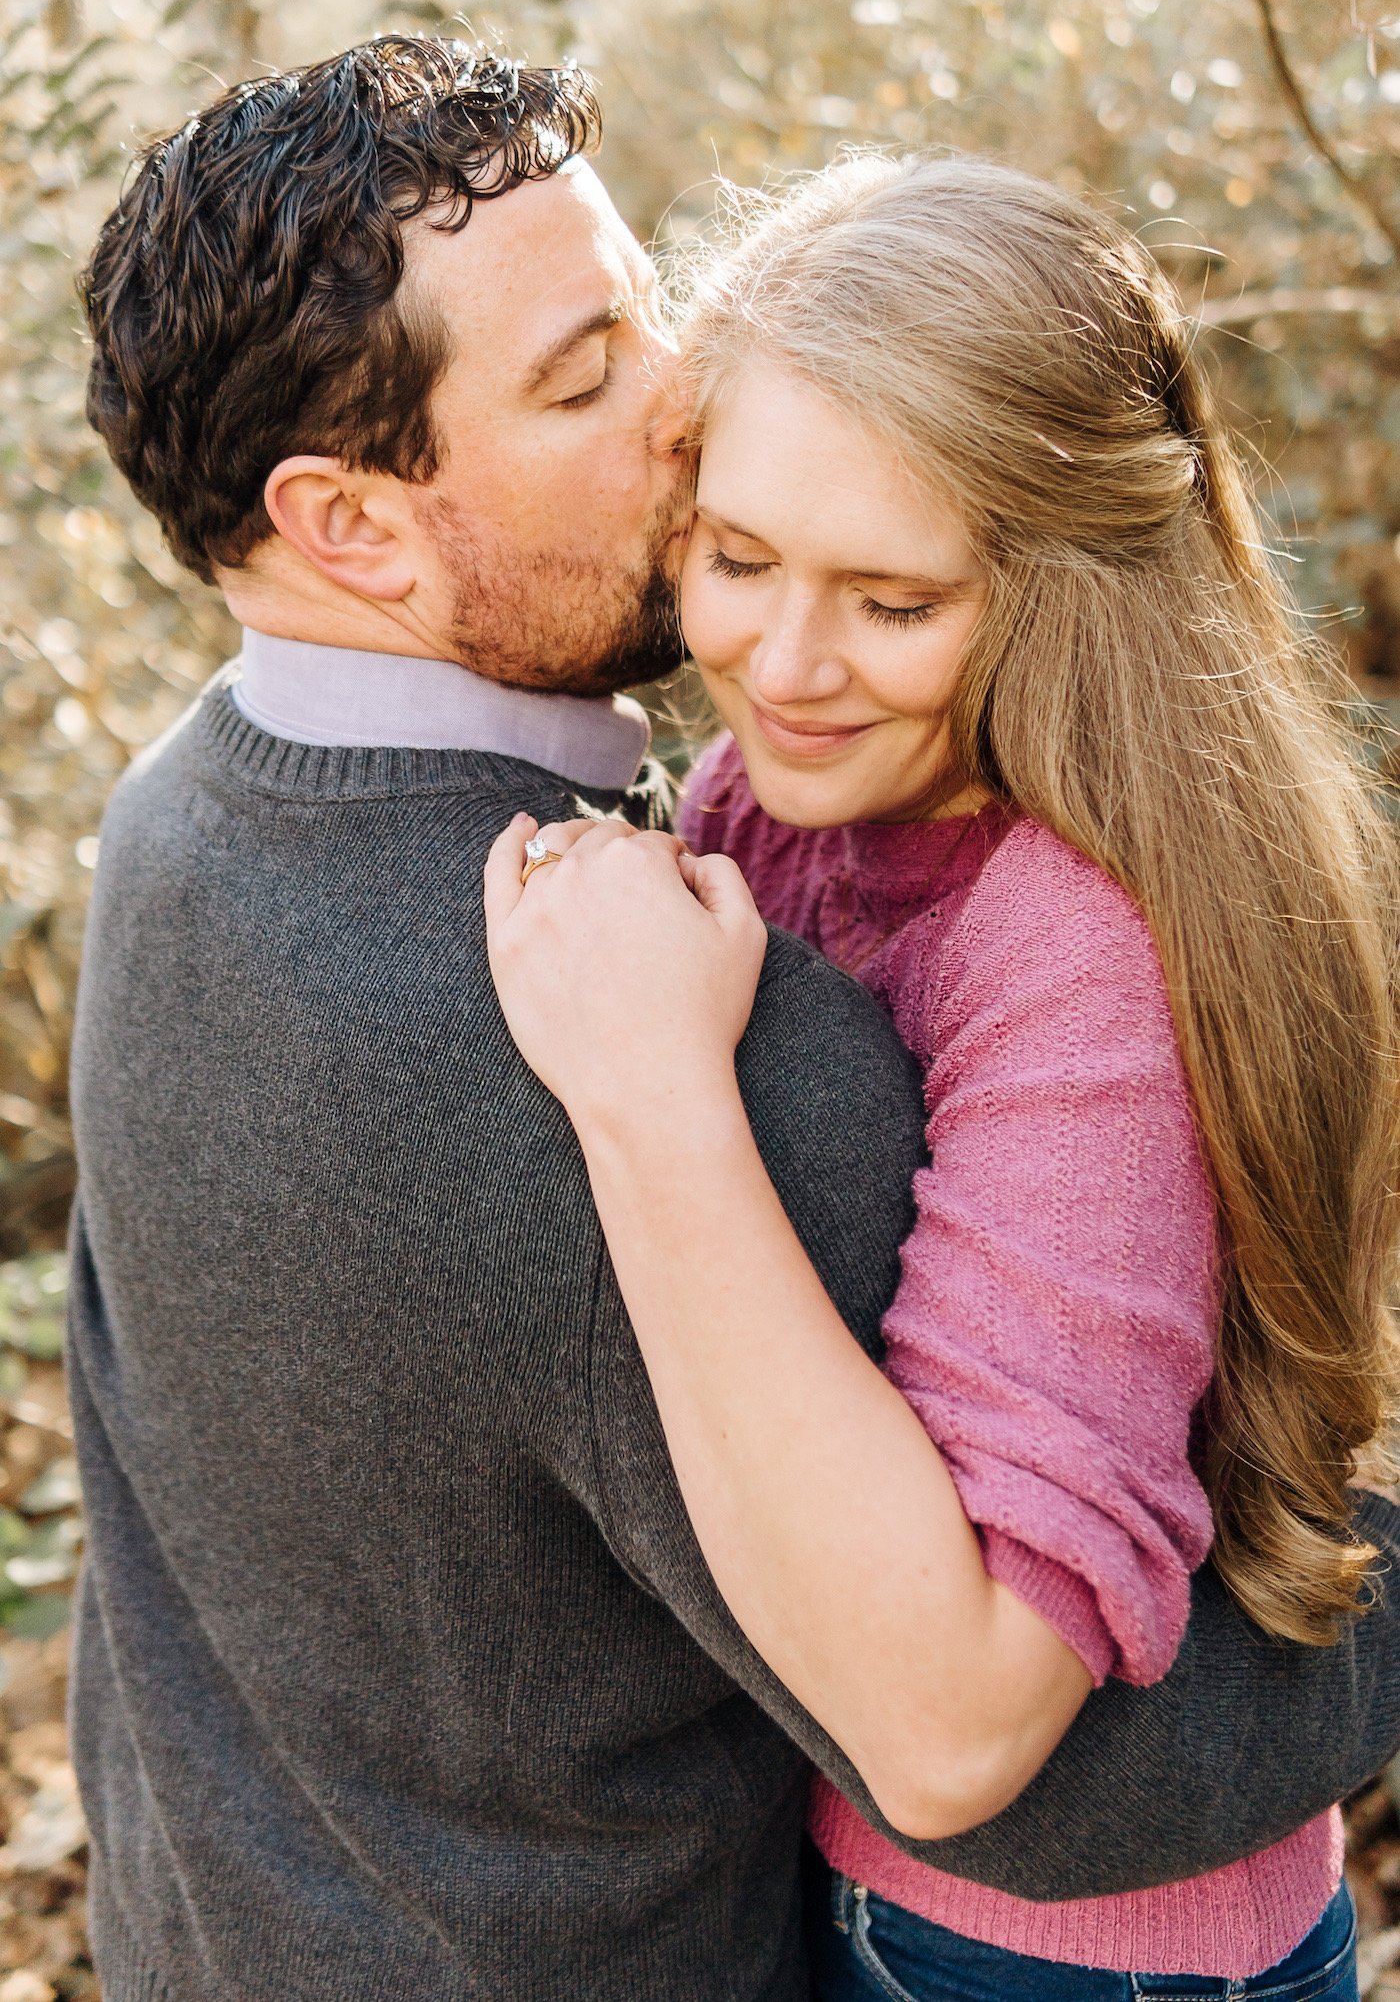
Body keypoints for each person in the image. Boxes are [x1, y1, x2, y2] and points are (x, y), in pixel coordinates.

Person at [69, 40, 1400, 2002]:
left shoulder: (182, 826)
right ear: (352, 526)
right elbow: (1007, 1769)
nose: (684, 398)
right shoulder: (647, 1026)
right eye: (588, 371)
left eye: (647, 312)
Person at [485, 155, 1400, 2002]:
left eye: (896, 603)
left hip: (1055, 1964)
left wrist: (650, 1090)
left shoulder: (1087, 957)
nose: (784, 663)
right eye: (736, 560)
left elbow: (958, 1728)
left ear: (1071, 594)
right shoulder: (806, 791)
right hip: (841, 1889)